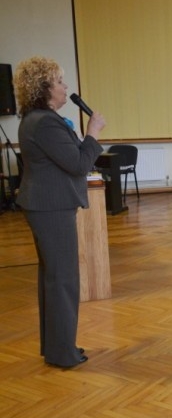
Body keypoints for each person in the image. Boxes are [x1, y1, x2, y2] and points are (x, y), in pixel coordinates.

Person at [13, 56, 106, 368]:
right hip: (50, 207)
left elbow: (68, 159)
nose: (66, 88)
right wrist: (92, 133)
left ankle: (57, 349)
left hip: (44, 205)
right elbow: (80, 165)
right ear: (44, 88)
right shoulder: (46, 122)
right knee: (63, 279)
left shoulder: (36, 120)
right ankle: (63, 353)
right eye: (60, 82)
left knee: (53, 279)